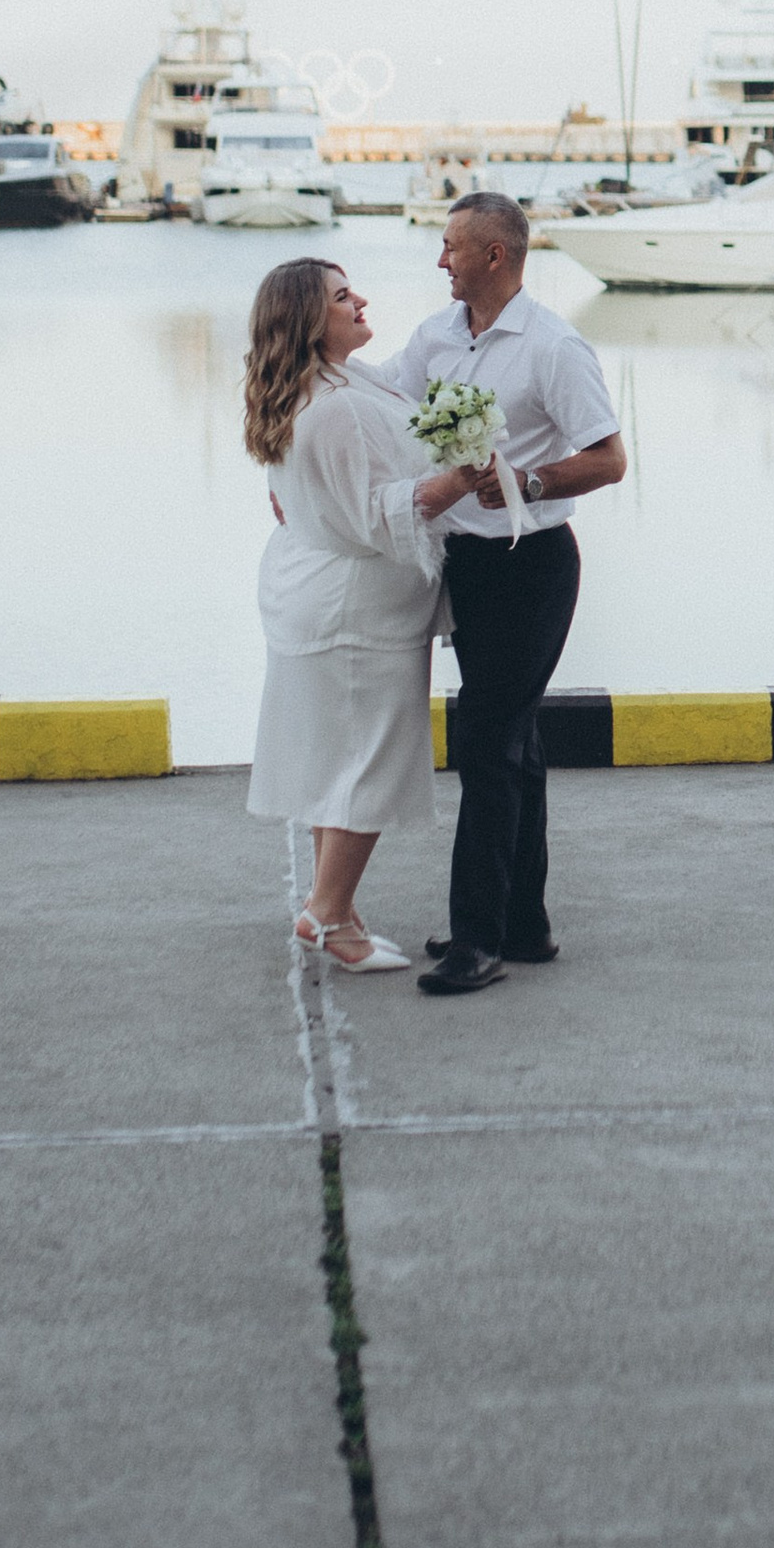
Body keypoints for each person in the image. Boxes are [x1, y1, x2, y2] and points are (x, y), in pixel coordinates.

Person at [372, 193, 626, 996]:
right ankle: (524, 922)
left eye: (451, 246)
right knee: (515, 741)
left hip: (533, 563)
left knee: (484, 738)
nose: (439, 259)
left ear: (494, 255)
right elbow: (382, 402)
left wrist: (531, 479)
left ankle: (477, 939)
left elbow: (610, 458)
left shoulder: (554, 346)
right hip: (466, 564)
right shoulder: (436, 336)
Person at [242, 255, 496, 973]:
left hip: (323, 594)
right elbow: (378, 511)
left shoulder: (328, 385)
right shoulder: (340, 405)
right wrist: (462, 477)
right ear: (307, 319)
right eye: (341, 296)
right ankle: (327, 916)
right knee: (367, 762)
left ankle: (336, 906)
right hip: (356, 611)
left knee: (337, 758)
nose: (359, 301)